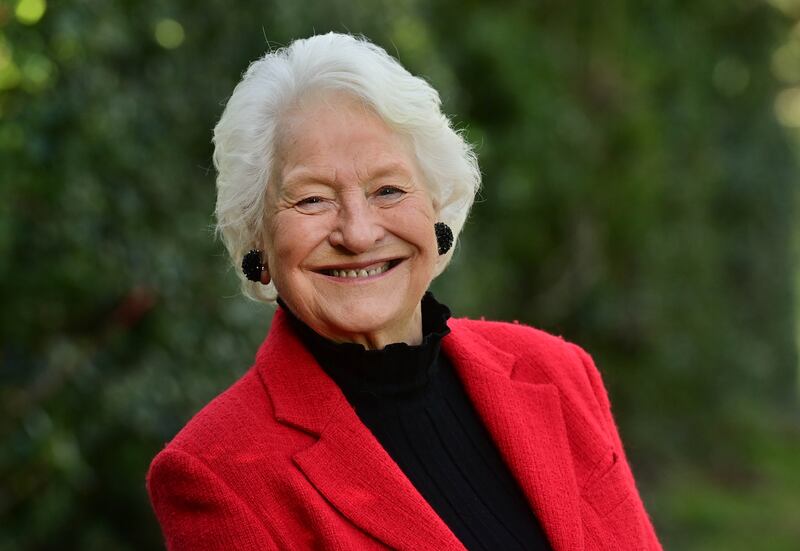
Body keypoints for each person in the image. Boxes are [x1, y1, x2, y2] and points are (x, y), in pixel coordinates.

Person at [147, 32, 662, 550]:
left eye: (388, 190)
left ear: (436, 208)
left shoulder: (559, 371)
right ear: (256, 234)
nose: (359, 233)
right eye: (311, 199)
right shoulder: (218, 474)